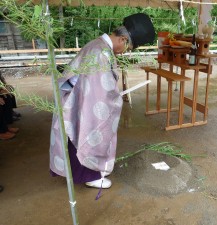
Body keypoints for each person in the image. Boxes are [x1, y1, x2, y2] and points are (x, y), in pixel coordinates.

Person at [49, 13, 155, 189]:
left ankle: (93, 170)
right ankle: (88, 175)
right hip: (83, 102)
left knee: (82, 131)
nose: (125, 52)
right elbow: (99, 93)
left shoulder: (98, 46)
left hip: (78, 97)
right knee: (89, 129)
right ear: (123, 39)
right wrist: (114, 99)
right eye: (128, 48)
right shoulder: (100, 52)